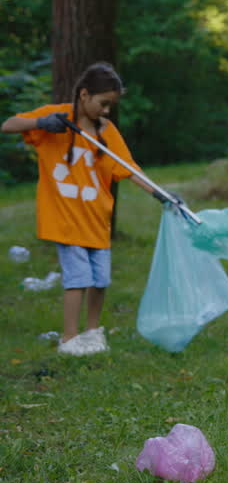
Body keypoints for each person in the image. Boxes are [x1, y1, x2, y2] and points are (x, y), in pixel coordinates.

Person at [2, 63, 169, 356]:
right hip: (66, 217)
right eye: (103, 103)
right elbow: (8, 125)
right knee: (77, 278)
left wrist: (160, 194)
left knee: (100, 279)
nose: (106, 111)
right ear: (84, 94)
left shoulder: (106, 131)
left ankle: (92, 332)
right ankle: (69, 338)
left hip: (96, 218)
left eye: (111, 106)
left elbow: (129, 168)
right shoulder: (56, 119)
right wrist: (41, 123)